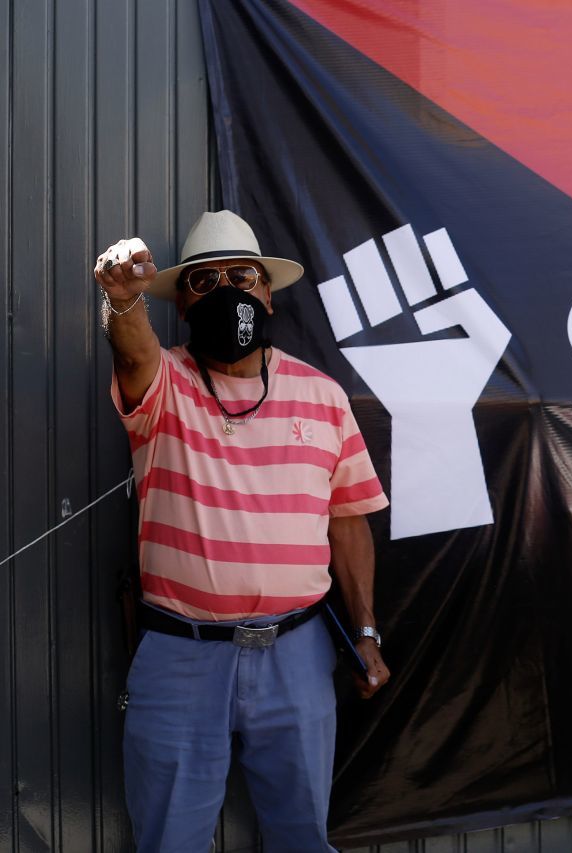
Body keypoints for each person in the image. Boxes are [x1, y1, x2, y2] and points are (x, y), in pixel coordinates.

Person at [93, 210, 391, 852]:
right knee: (170, 841)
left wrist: (364, 630)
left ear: (269, 296)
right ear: (181, 306)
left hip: (298, 654)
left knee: (302, 838)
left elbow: (348, 519)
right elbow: (134, 348)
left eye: (241, 276)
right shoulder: (164, 383)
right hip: (181, 654)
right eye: (204, 280)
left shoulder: (324, 396)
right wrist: (123, 303)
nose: (226, 289)